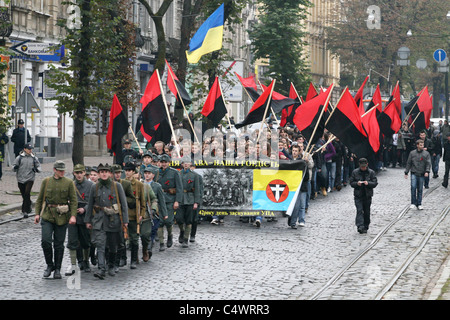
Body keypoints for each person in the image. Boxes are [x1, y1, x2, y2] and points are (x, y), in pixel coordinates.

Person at [34, 160, 78, 279]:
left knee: (59, 244)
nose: (62, 172)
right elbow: (40, 199)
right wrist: (37, 214)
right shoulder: (46, 182)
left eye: (63, 170)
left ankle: (57, 268)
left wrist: (73, 215)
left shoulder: (68, 183)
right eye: (60, 170)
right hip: (48, 215)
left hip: (62, 217)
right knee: (46, 241)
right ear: (54, 170)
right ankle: (49, 265)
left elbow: (74, 201)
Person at [85, 163, 128, 280]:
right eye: (101, 172)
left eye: (106, 172)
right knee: (100, 244)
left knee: (113, 246)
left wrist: (125, 221)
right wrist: (88, 220)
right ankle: (101, 269)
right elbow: (90, 205)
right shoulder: (95, 187)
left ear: (110, 173)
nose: (104, 174)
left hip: (114, 220)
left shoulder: (117, 186)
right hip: (99, 220)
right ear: (99, 174)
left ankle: (111, 266)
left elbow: (123, 205)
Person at [66, 164, 94, 276]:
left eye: (80, 173)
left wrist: (85, 209)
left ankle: (86, 261)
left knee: (85, 240)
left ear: (84, 173)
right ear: (74, 173)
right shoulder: (71, 185)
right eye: (76, 173)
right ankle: (74, 264)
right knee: (72, 241)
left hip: (85, 216)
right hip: (73, 215)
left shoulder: (91, 185)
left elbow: (92, 201)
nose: (79, 175)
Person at [111, 164, 135, 270]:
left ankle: (123, 257)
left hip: (122, 214)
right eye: (115, 173)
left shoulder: (125, 184)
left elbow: (132, 200)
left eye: (119, 173)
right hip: (111, 213)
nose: (117, 175)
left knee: (121, 238)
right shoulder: (109, 184)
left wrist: (122, 200)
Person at [156, 154, 182, 251]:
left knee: (168, 220)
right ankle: (162, 242)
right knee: (160, 222)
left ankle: (170, 235)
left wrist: (177, 201)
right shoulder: (156, 172)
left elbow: (179, 188)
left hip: (170, 199)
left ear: (169, 163)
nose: (164, 164)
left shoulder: (174, 173)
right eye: (162, 162)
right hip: (159, 199)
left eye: (165, 162)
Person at [123, 162, 146, 269]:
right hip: (123, 215)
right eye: (126, 171)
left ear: (133, 172)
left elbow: (143, 202)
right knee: (122, 238)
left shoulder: (139, 185)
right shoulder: (121, 183)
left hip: (133, 215)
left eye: (129, 171)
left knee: (134, 238)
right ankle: (122, 259)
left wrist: (141, 214)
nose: (127, 173)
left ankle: (133, 259)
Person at [142, 166, 168, 256]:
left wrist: (164, 213)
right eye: (145, 173)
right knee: (144, 232)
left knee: (152, 230)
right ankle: (146, 246)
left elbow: (161, 200)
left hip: (154, 212)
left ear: (153, 175)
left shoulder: (157, 186)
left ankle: (149, 246)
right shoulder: (140, 184)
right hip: (143, 211)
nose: (147, 175)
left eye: (149, 173)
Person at [349, 158, 378, 234]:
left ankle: (366, 225)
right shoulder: (355, 172)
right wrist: (356, 184)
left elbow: (375, 183)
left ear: (367, 165)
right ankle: (360, 226)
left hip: (367, 195)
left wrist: (368, 183)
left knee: (366, 211)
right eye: (362, 167)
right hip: (358, 195)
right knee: (359, 210)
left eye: (364, 166)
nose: (363, 168)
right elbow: (351, 182)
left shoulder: (371, 172)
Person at [13, 143, 41, 218]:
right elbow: (13, 167)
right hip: (20, 178)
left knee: (27, 192)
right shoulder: (19, 158)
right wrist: (15, 167)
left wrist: (36, 169)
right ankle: (29, 203)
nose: (30, 150)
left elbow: (39, 167)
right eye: (29, 149)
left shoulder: (34, 158)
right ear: (24, 149)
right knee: (24, 194)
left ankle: (24, 210)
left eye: (31, 149)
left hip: (30, 178)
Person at [177, 160, 201, 247]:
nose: (186, 164)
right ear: (182, 164)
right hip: (180, 199)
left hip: (190, 199)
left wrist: (196, 202)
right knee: (179, 219)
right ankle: (182, 231)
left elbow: (197, 189)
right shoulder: (178, 174)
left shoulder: (195, 175)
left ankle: (186, 239)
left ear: (190, 164)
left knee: (189, 220)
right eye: (184, 162)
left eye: (188, 162)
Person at [404, 139, 431, 210]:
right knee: (413, 187)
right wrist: (406, 172)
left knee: (420, 188)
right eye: (421, 145)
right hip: (414, 172)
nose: (422, 146)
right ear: (417, 145)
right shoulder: (412, 153)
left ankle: (419, 203)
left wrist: (427, 171)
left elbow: (428, 163)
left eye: (423, 145)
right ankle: (413, 202)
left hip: (422, 173)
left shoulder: (426, 154)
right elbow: (409, 163)